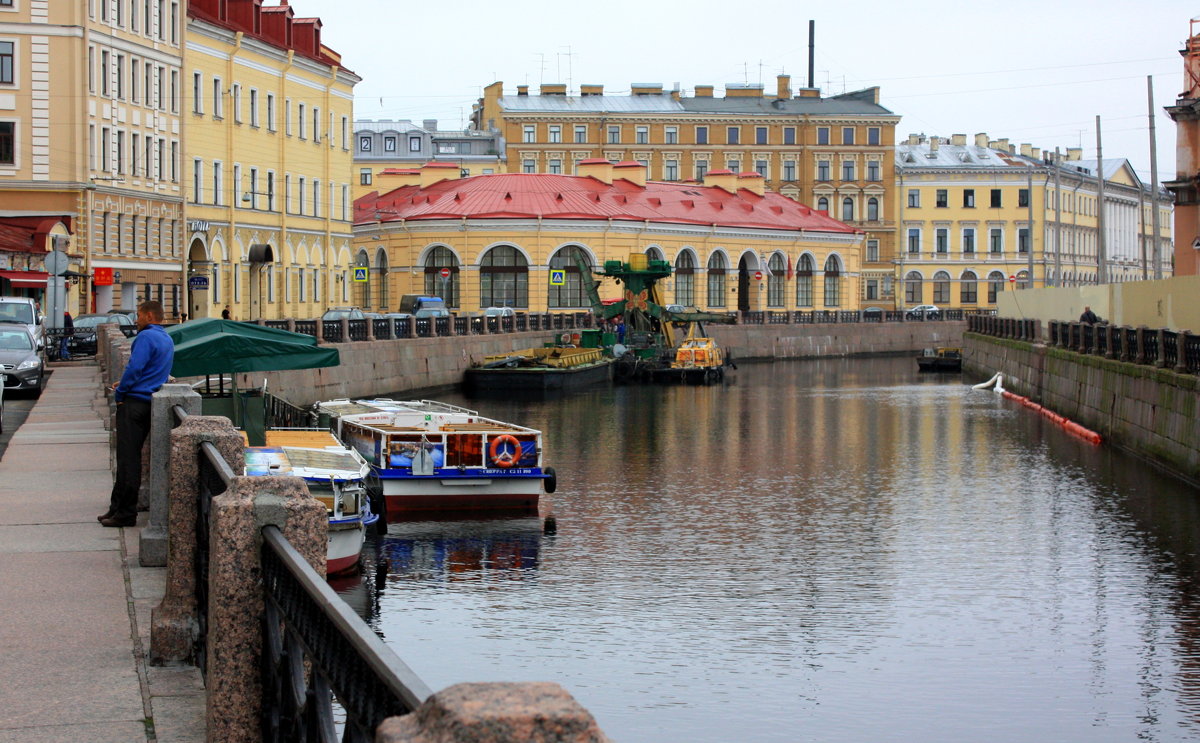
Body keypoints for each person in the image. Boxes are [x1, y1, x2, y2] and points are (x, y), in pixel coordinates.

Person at [99, 300, 174, 528]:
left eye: (139, 315)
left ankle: (125, 513)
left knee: (128, 460)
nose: (136, 320)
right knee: (129, 459)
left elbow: (135, 367)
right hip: (150, 402)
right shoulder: (166, 338)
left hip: (134, 404)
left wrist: (121, 392)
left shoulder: (145, 337)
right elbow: (152, 372)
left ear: (150, 316)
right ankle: (115, 508)